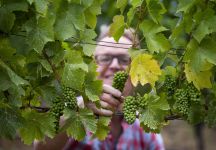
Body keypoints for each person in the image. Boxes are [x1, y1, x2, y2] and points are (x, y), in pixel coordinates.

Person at [35, 26, 165, 150]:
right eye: (105, 58)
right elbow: (41, 147)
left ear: (137, 71)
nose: (114, 65)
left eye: (124, 59)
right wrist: (80, 107)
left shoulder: (145, 126)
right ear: (92, 66)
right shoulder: (70, 110)